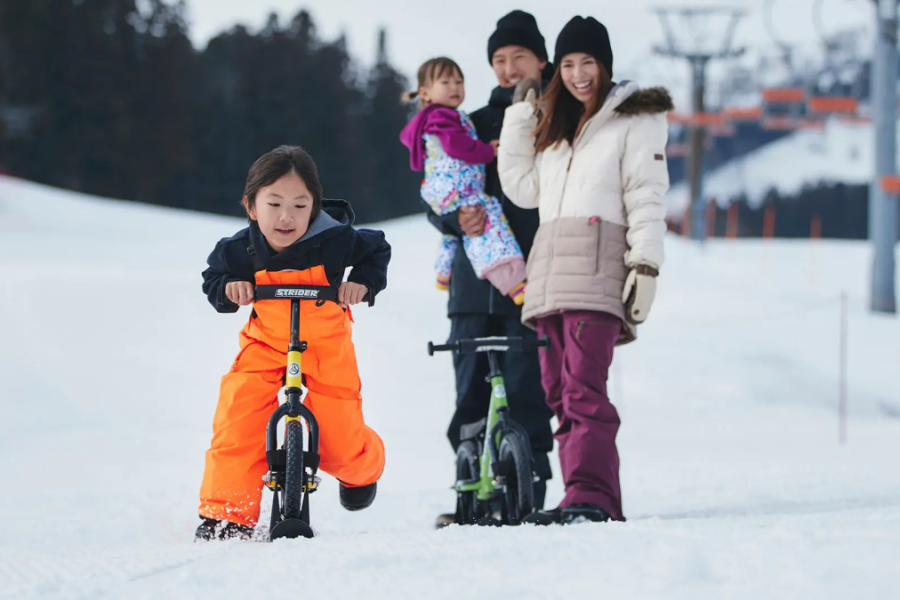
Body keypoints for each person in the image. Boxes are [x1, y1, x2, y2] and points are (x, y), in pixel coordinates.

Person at [498, 16, 672, 525]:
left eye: (588, 63)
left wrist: (646, 264)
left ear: (605, 65)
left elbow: (646, 195)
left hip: (597, 271)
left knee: (582, 390)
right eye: (569, 64)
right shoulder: (555, 127)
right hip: (550, 272)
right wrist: (520, 116)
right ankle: (582, 494)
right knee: (557, 392)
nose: (578, 74)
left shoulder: (633, 120)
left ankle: (592, 496)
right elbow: (522, 189)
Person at [195, 145, 390, 541]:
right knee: (239, 419)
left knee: (340, 439)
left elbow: (376, 250)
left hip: (325, 342)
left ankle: (363, 470)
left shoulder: (336, 238)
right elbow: (213, 279)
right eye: (275, 204)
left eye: (301, 206)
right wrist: (228, 288)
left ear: (315, 207)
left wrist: (362, 283)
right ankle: (226, 514)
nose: (287, 217)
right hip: (265, 344)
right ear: (252, 207)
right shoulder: (238, 248)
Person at [427, 10, 555, 527]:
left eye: (517, 57)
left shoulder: (555, 120)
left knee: (529, 387)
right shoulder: (468, 124)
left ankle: (531, 488)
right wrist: (454, 217)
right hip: (472, 284)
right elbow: (435, 189)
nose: (507, 68)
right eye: (498, 60)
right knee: (471, 390)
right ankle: (470, 489)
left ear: (540, 61)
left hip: (536, 273)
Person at [400, 57, 526, 304]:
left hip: (441, 190)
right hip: (457, 187)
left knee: (454, 233)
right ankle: (512, 281)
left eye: (459, 81)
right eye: (445, 82)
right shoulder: (441, 116)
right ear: (425, 93)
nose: (455, 87)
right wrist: (487, 151)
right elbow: (457, 146)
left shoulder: (436, 116)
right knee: (486, 223)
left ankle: (443, 272)